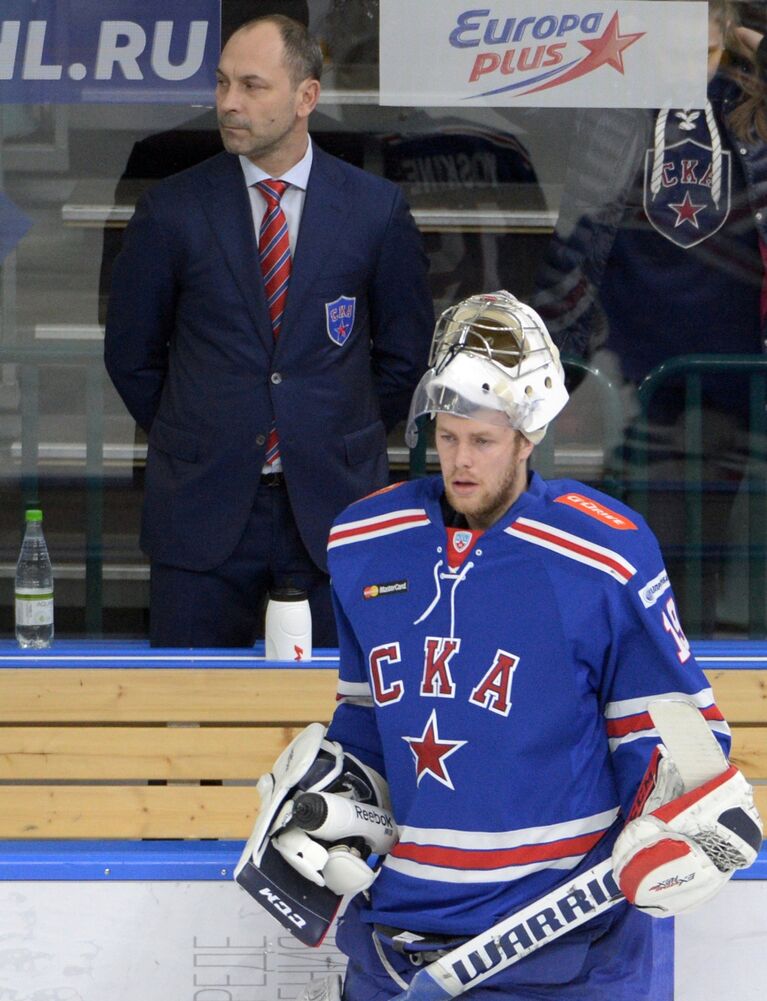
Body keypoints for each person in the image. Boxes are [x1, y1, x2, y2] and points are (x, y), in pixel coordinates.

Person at [240, 291, 761, 1000]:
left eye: (481, 441)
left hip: (562, 949)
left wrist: (683, 818)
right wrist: (335, 791)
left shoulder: (602, 553)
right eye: (447, 435)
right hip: (396, 947)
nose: (459, 460)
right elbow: (366, 718)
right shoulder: (365, 542)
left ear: (529, 433)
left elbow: (669, 737)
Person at [104, 14, 434, 648]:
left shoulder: (374, 208)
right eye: (224, 84)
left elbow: (402, 357)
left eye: (252, 86)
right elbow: (132, 356)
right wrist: (198, 433)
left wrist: (336, 430)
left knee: (345, 715)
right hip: (203, 508)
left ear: (305, 96)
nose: (229, 103)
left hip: (335, 508)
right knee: (189, 719)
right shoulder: (172, 208)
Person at [533, 0, 767, 635]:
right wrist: (541, 372)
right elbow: (581, 240)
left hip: (753, 389)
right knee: (663, 585)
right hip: (648, 392)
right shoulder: (620, 106)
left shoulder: (755, 97)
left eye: (700, 13)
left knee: (745, 588)